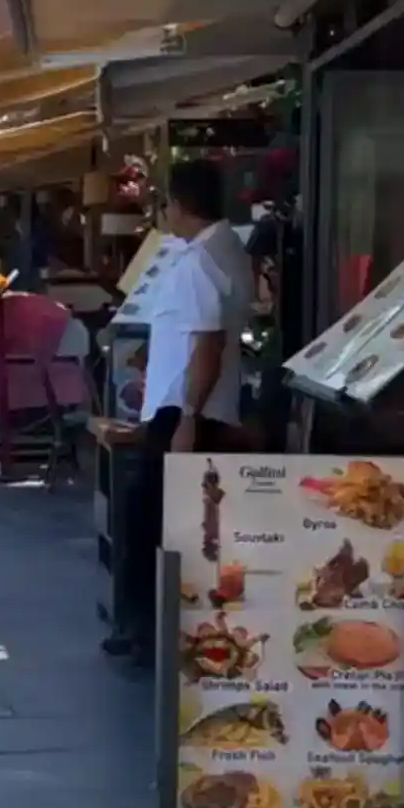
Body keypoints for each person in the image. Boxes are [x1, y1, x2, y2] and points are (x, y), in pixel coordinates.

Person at [106, 159, 247, 657]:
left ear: (178, 205)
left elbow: (207, 344)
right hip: (189, 404)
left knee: (146, 522)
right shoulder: (223, 251)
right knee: (173, 522)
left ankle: (144, 629)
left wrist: (187, 415)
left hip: (182, 411)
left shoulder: (196, 264)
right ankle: (158, 627)